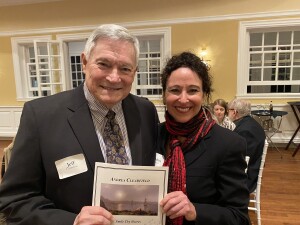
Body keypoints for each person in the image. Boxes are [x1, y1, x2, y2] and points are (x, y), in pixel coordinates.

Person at [0, 24, 159, 225]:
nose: (114, 77)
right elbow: (15, 200)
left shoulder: (146, 112)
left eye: (125, 68)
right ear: (84, 62)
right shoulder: (40, 116)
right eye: (104, 64)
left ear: (134, 72)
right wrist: (72, 222)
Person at [158, 52, 250, 225]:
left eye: (193, 90)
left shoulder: (228, 144)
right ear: (164, 95)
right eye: (174, 90)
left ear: (204, 95)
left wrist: (194, 211)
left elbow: (239, 218)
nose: (183, 99)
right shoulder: (151, 136)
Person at [227, 98, 266, 193]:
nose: (228, 112)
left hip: (247, 178)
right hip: (250, 169)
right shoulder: (249, 123)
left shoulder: (245, 130)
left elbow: (240, 159)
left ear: (234, 112)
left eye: (229, 110)